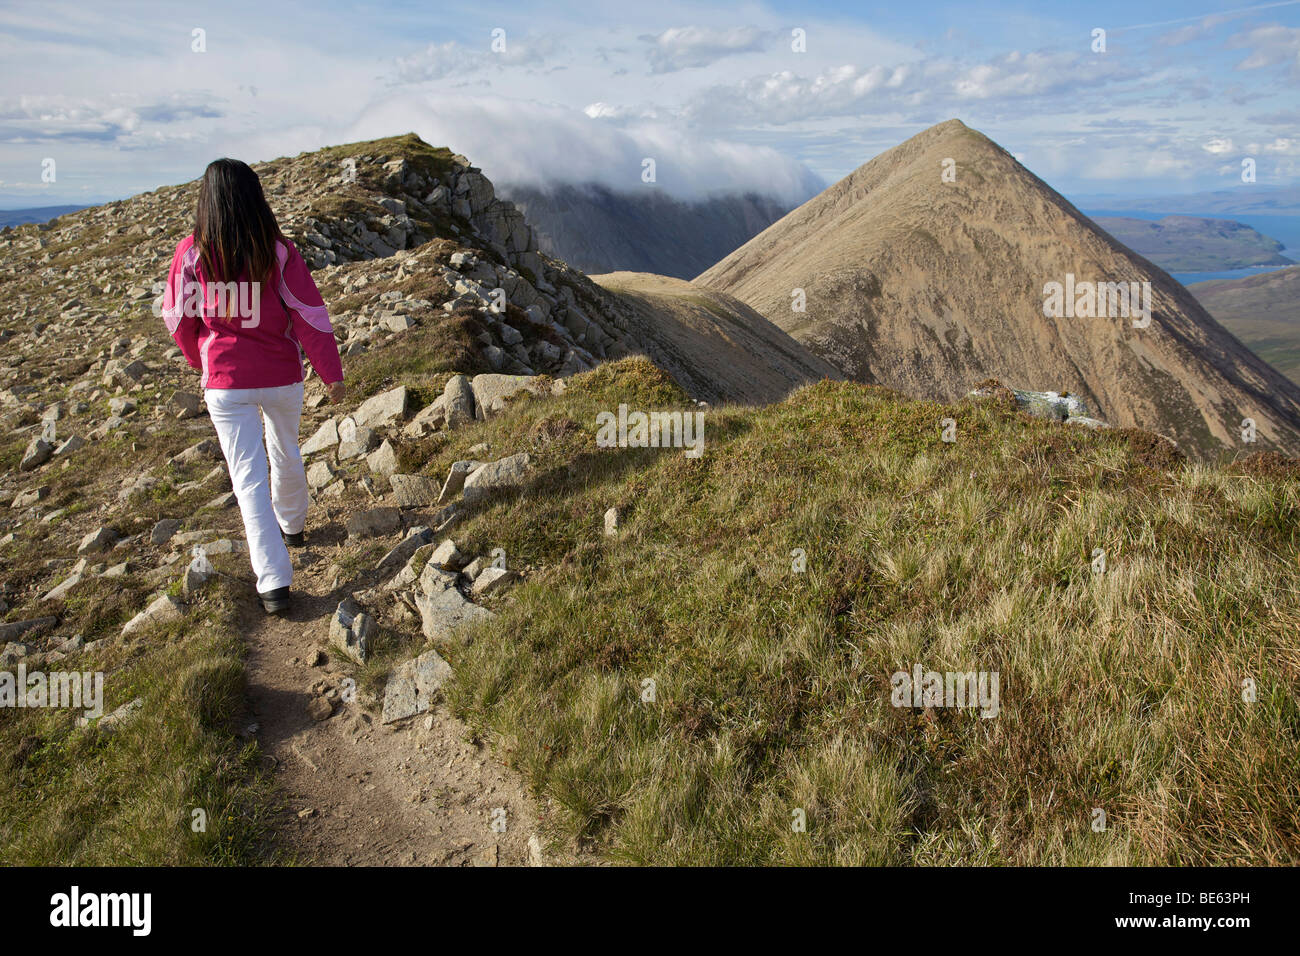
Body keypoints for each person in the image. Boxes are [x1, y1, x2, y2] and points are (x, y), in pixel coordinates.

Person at [161, 158, 344, 616]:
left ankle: (273, 582)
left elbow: (177, 318)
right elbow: (309, 312)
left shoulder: (191, 254)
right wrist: (330, 371)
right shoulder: (278, 250)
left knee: (247, 480)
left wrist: (198, 357)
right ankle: (295, 525)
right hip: (280, 375)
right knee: (285, 446)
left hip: (225, 380)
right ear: (255, 196)